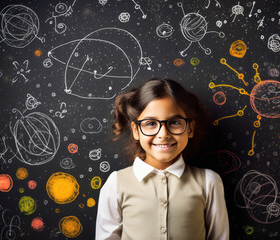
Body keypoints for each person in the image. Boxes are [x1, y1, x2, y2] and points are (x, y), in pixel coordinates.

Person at [95, 78, 229, 240]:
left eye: (174, 122)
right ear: (136, 130)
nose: (163, 134)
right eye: (151, 123)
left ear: (190, 128)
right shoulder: (115, 184)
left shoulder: (209, 182)